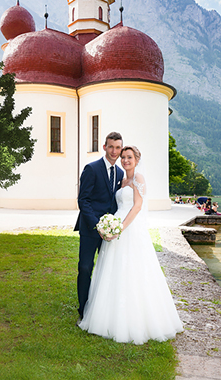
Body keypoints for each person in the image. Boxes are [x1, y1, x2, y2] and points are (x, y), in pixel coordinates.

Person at [79, 145, 184, 344]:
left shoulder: (138, 179)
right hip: (117, 225)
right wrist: (111, 226)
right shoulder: (122, 179)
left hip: (130, 228)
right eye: (124, 157)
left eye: (129, 157)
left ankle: (135, 319)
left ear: (136, 159)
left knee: (133, 272)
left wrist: (120, 228)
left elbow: (137, 207)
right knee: (113, 271)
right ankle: (106, 315)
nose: (125, 160)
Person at [75, 131, 124, 321]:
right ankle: (83, 309)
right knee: (85, 268)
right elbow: (83, 200)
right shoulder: (92, 168)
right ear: (104, 147)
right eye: (111, 146)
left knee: (106, 270)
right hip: (90, 229)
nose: (114, 151)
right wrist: (97, 225)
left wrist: (112, 227)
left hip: (110, 233)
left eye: (117, 147)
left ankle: (102, 309)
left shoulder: (120, 173)